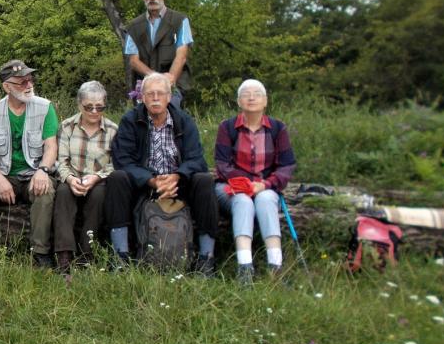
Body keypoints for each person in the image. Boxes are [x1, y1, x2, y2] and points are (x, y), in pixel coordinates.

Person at [105, 72, 219, 275]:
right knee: (117, 178)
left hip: (178, 184)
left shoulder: (184, 121)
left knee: (204, 179)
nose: (155, 98)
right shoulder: (131, 120)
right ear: (142, 97)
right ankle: (120, 255)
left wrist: (177, 176)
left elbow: (197, 159)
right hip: (143, 185)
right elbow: (123, 159)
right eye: (150, 94)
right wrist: (151, 180)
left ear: (169, 97)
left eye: (160, 93)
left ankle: (206, 257)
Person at [0, 59, 59, 267]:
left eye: (30, 80)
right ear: (6, 87)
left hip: (33, 174)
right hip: (3, 174)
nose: (28, 85)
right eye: (22, 82)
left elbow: (51, 147)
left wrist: (43, 170)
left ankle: (40, 252)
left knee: (45, 191)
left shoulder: (45, 108)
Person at [214, 79, 296, 284]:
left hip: (265, 186)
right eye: (246, 94)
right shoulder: (227, 127)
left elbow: (287, 166)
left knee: (267, 199)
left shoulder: (277, 129)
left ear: (265, 101)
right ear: (239, 101)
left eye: (257, 93)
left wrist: (265, 184)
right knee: (243, 201)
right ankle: (245, 268)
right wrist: (248, 184)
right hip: (232, 187)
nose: (251, 97)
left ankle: (275, 266)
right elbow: (222, 165)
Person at [53, 81, 119, 275]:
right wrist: (71, 179)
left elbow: (116, 163)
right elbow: (61, 161)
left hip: (98, 181)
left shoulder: (113, 130)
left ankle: (87, 254)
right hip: (72, 176)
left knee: (99, 197)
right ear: (79, 104)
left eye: (99, 107)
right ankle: (64, 254)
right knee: (63, 193)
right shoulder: (66, 127)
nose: (93, 111)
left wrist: (96, 177)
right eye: (88, 106)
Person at [123, 0, 194, 108]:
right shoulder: (132, 27)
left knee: (172, 113)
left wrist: (169, 80)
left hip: (173, 84)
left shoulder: (180, 20)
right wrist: (155, 78)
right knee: (141, 121)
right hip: (144, 85)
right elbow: (133, 61)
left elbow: (182, 56)